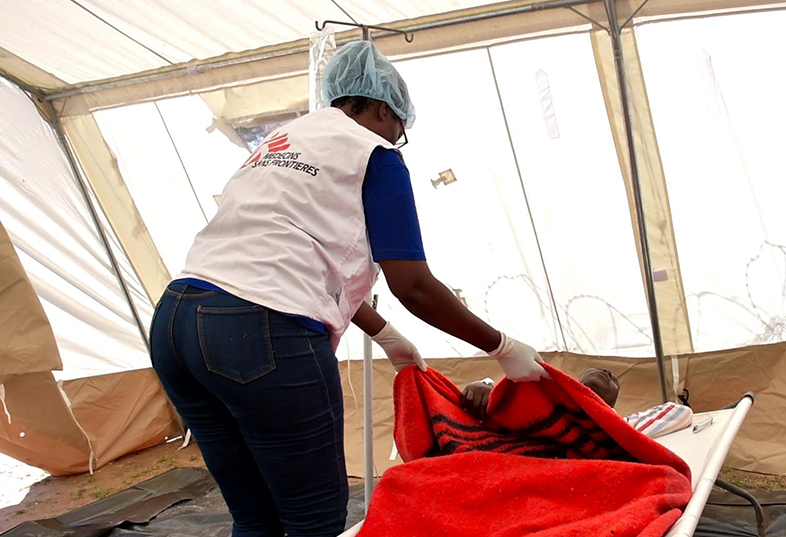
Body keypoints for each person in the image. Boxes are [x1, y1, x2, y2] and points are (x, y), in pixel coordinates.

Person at [149, 41, 548, 537]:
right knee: (312, 518)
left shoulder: (280, 142)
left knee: (254, 516)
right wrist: (501, 347)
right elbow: (413, 283)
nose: (397, 140)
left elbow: (299, 257)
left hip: (175, 322)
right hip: (260, 332)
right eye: (399, 129)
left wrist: (388, 337)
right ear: (382, 108)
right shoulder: (374, 154)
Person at [461, 368, 692, 438]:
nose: (607, 372)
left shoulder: (615, 427)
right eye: (598, 370)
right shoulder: (541, 396)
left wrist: (610, 419)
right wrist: (483, 385)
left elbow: (679, 412)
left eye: (613, 381)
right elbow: (502, 394)